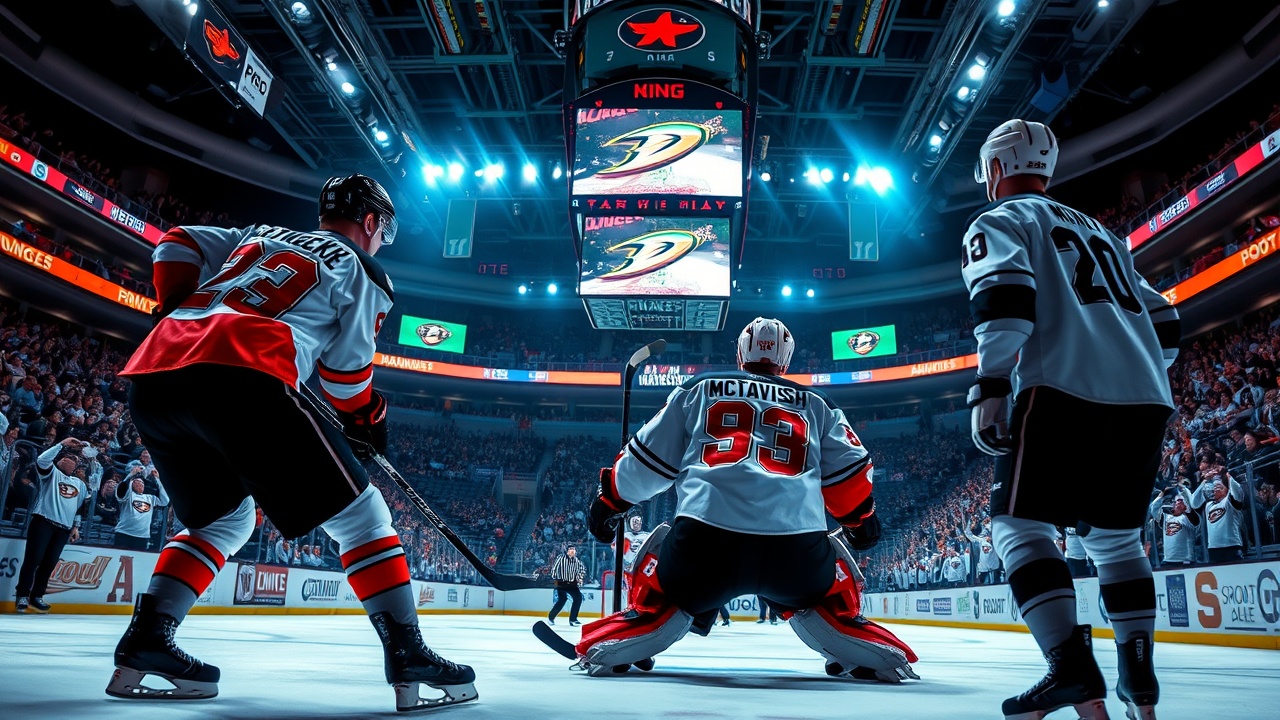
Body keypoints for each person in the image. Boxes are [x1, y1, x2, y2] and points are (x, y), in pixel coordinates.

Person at [104, 175, 476, 711]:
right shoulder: (363, 267)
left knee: (223, 521)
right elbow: (345, 377)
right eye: (383, 231)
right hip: (246, 376)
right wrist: (369, 420)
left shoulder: (257, 233)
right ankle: (409, 654)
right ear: (372, 222)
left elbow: (176, 241)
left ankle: (147, 640)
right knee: (364, 518)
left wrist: (174, 307)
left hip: (157, 374)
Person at [963, 120, 1180, 720]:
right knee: (1116, 540)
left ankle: (1070, 669)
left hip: (1061, 385)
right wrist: (1130, 366)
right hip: (1145, 396)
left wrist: (989, 384)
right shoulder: (1104, 233)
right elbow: (1166, 320)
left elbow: (1005, 298)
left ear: (995, 169)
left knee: (1018, 527)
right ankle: (1140, 680)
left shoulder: (1002, 218)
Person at [577, 317, 917, 681]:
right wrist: (861, 521)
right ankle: (847, 628)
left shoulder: (699, 388)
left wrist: (610, 502)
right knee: (834, 558)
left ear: (740, 355)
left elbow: (645, 462)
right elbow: (850, 477)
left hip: (704, 545)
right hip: (795, 550)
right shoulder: (818, 403)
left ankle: (641, 623)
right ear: (786, 360)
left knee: (658, 546)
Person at [14, 437, 92, 613]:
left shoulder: (79, 484)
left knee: (49, 563)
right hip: (43, 521)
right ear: (59, 460)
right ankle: (22, 595)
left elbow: (80, 507)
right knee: (33, 559)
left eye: (73, 459)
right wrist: (61, 444)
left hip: (63, 528)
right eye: (67, 457)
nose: (70, 460)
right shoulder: (51, 473)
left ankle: (37, 596)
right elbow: (42, 460)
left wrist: (76, 527)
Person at [113, 468, 170, 551]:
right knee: (119, 556)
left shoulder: (150, 498)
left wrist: (157, 479)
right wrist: (131, 474)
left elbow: (165, 501)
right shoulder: (128, 495)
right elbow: (121, 490)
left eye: (142, 483)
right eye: (137, 482)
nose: (140, 484)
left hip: (142, 536)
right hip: (124, 533)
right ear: (132, 484)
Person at [1148, 484, 1199, 566]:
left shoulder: (1189, 518)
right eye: (1176, 501)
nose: (1178, 503)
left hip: (1186, 560)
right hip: (1168, 560)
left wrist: (1184, 494)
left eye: (1181, 501)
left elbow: (1195, 521)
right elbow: (1153, 508)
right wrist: (1162, 493)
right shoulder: (1165, 517)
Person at [547, 545, 586, 626]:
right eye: (570, 549)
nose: (572, 550)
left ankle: (573, 619)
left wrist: (579, 578)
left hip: (572, 584)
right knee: (562, 600)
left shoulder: (576, 560)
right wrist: (556, 578)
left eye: (574, 549)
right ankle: (551, 617)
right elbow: (555, 569)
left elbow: (582, 569)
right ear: (567, 551)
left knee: (578, 599)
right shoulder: (561, 558)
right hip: (562, 583)